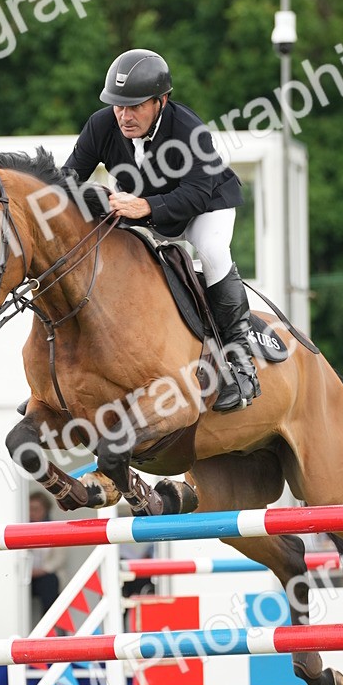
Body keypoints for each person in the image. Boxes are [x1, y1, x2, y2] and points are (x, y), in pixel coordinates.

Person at [64, 48, 259, 412]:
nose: (124, 115)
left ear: (161, 101)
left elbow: (197, 193)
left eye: (135, 106)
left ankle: (242, 364)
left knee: (213, 253)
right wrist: (93, 197)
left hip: (204, 208)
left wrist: (146, 206)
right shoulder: (101, 125)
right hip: (145, 214)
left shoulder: (188, 128)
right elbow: (69, 177)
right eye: (118, 106)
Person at [27, 492, 67, 621]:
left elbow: (59, 558)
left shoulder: (55, 529)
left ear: (45, 510)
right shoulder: (21, 529)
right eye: (29, 509)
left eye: (36, 509)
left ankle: (49, 625)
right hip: (26, 576)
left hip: (45, 575)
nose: (32, 513)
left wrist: (41, 570)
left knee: (50, 582)